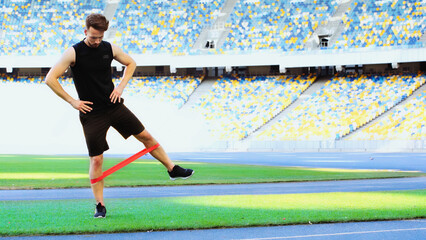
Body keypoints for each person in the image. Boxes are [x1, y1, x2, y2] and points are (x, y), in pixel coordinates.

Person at [45, 13, 194, 218]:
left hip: (114, 106)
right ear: (85, 31)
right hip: (91, 112)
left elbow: (131, 63)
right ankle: (100, 205)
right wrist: (73, 101)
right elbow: (50, 79)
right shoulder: (73, 52)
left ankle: (172, 169)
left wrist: (121, 86)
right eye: (93, 37)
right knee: (96, 160)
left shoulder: (110, 48)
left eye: (100, 37)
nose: (97, 41)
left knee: (146, 137)